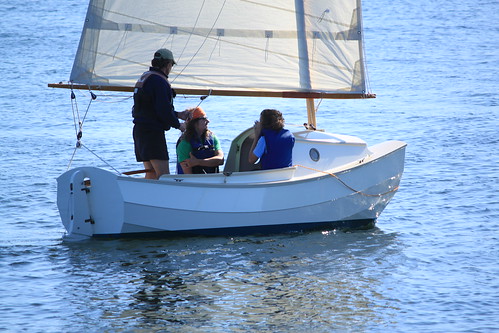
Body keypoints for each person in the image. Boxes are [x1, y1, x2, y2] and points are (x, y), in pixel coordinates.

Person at [132, 48, 188, 179]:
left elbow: (151, 107)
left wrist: (178, 114)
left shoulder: (145, 77)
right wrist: (179, 125)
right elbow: (163, 110)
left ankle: (143, 198)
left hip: (140, 132)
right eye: (171, 65)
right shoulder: (159, 81)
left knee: (151, 174)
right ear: (168, 64)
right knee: (163, 176)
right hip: (152, 134)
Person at [176, 107, 224, 174]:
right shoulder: (184, 143)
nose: (208, 121)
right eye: (204, 118)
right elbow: (188, 176)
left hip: (212, 179)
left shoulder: (212, 138)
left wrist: (198, 162)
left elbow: (221, 160)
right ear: (194, 122)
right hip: (192, 182)